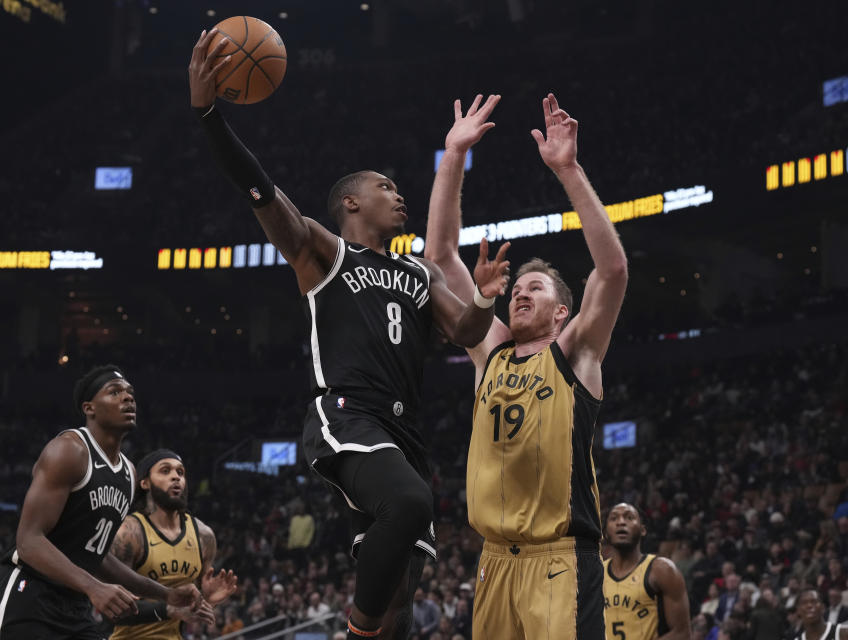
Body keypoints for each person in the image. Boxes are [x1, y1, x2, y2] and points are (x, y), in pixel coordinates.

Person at [188, 29, 511, 640]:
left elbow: (466, 329)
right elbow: (259, 188)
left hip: (402, 428)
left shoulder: (416, 271)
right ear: (351, 204)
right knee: (410, 504)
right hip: (347, 415)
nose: (399, 195)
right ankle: (354, 631)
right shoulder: (323, 253)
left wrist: (483, 296)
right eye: (385, 187)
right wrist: (208, 116)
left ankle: (376, 628)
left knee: (403, 596)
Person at [424, 92, 629, 640]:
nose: (519, 293)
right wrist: (454, 156)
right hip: (494, 561)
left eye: (534, 289)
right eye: (515, 287)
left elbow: (611, 271)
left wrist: (568, 169)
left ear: (562, 311)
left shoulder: (575, 352)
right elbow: (440, 258)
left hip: (560, 558)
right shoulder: (489, 351)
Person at [0, 365, 203, 640]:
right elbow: (28, 541)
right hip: (28, 595)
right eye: (115, 392)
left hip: (75, 606)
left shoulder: (129, 474)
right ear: (90, 408)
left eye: (130, 393)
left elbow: (98, 557)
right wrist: (94, 587)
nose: (128, 398)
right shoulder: (69, 451)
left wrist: (166, 594)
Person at [109, 449, 238, 639]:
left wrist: (207, 601)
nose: (176, 477)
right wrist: (168, 609)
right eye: (165, 470)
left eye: (180, 472)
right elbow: (113, 611)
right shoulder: (129, 533)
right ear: (145, 483)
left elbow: (189, 608)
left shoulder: (204, 536)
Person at [602, 503, 690, 640]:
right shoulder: (596, 574)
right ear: (606, 533)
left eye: (629, 517)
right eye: (614, 518)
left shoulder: (663, 570)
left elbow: (682, 633)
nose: (621, 522)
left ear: (643, 530)